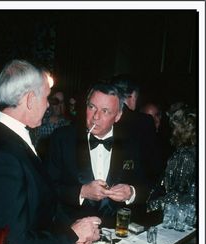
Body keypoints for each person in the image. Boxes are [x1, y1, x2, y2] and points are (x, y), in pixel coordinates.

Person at [0, 59, 101, 244]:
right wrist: (71, 236)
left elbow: (39, 207)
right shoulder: (3, 157)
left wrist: (74, 230)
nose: (47, 105)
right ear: (29, 100)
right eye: (46, 97)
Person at [44, 81, 150, 227]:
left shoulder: (133, 142)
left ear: (118, 115)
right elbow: (46, 188)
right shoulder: (62, 138)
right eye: (92, 107)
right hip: (72, 231)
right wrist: (82, 192)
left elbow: (149, 186)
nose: (96, 117)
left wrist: (131, 192)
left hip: (118, 232)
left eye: (105, 111)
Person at [110, 74, 163, 187]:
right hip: (134, 187)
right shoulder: (144, 121)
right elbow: (153, 164)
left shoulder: (102, 117)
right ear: (133, 96)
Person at [147, 104, 196, 213]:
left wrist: (148, 206)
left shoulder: (185, 156)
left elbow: (178, 196)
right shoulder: (184, 152)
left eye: (172, 126)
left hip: (175, 214)